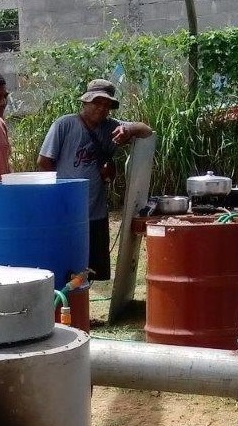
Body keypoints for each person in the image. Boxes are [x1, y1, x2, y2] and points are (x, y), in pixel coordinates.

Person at [37, 79, 153, 281]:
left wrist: (129, 130)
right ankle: (70, 306)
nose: (102, 109)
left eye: (107, 105)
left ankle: (85, 307)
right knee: (69, 267)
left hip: (96, 211)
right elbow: (44, 161)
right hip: (68, 211)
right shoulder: (65, 124)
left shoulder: (112, 127)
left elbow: (147, 130)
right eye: (97, 103)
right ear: (86, 102)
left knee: (92, 267)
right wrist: (64, 188)